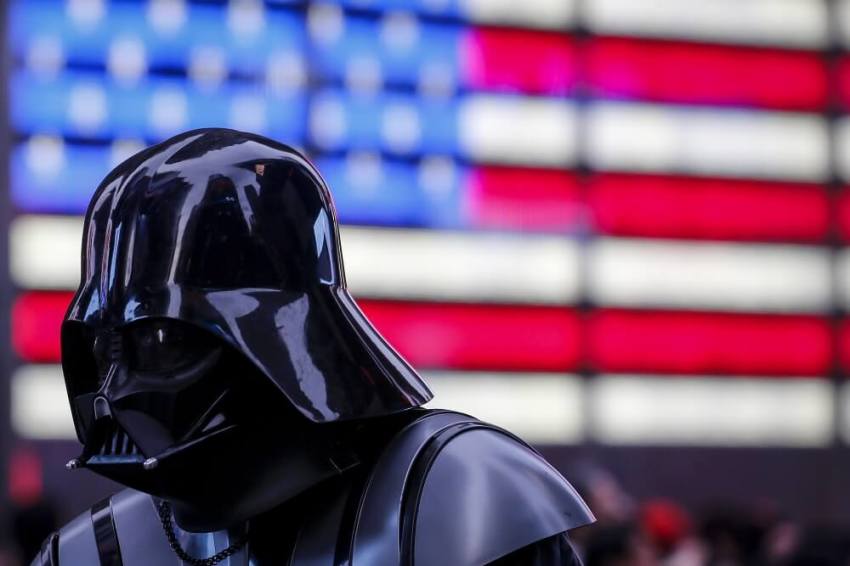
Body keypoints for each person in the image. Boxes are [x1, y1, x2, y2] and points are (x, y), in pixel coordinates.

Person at [31, 128, 594, 565]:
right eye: (103, 350)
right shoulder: (93, 551)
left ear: (270, 341)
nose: (113, 392)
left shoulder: (456, 499)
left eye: (157, 342)